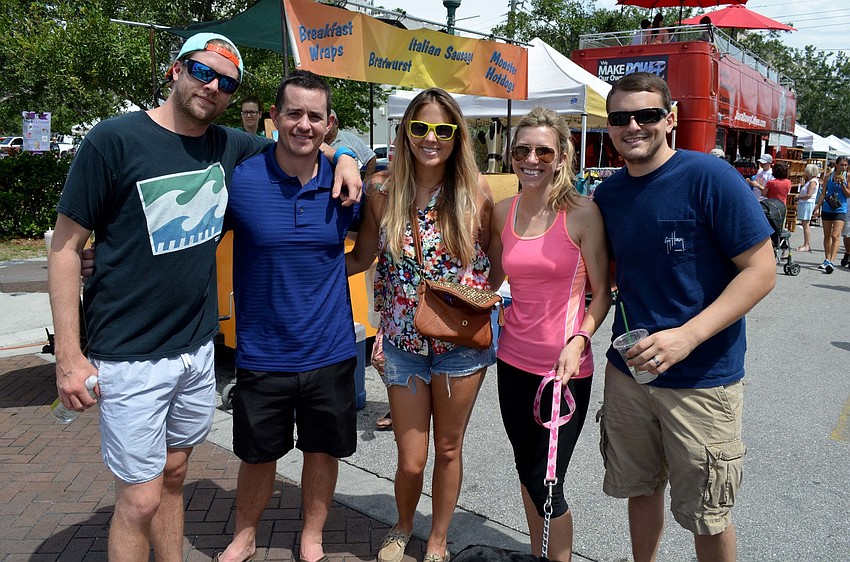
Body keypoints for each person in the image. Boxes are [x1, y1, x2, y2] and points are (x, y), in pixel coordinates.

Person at [48, 33, 361, 561]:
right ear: (175, 71)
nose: (212, 87)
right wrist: (69, 356)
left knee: (174, 476)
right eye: (202, 71)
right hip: (129, 348)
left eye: (226, 82)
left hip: (196, 348)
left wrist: (349, 153)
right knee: (140, 499)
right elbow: (64, 246)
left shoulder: (229, 147)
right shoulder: (114, 139)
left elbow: (309, 140)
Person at [593, 72, 776, 562]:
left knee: (708, 514)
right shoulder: (607, 196)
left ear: (670, 119)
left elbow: (760, 271)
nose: (633, 125)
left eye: (647, 115)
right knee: (640, 489)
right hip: (629, 372)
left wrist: (687, 337)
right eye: (620, 117)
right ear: (608, 127)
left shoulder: (708, 177)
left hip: (701, 379)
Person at [215, 70, 358, 562]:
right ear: (274, 118)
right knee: (257, 455)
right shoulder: (242, 180)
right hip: (262, 350)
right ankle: (246, 533)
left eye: (314, 116)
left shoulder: (344, 188)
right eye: (293, 113)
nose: (303, 124)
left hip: (331, 348)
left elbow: (376, 237)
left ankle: (311, 535)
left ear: (329, 124)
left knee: (322, 451)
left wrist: (350, 160)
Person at [346, 88, 494, 562]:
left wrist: (473, 301)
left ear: (457, 136)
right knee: (411, 459)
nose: (432, 138)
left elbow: (496, 260)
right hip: (404, 344)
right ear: (406, 132)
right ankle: (404, 524)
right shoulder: (381, 192)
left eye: (443, 129)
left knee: (448, 450)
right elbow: (364, 256)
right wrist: (304, 263)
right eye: (421, 128)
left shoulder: (475, 191)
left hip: (460, 344)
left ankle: (438, 538)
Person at [487, 107, 611, 561]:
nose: (532, 158)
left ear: (561, 157)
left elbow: (602, 295)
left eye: (543, 150)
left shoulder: (582, 214)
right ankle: (540, 553)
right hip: (512, 362)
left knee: (548, 480)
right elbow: (489, 278)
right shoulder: (503, 211)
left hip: (563, 371)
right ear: (512, 155)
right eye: (523, 149)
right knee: (526, 471)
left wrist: (580, 340)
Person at [813, 155, 850, 274]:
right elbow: (823, 193)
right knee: (827, 235)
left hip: (840, 209)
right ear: (836, 165)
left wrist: (843, 184)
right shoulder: (828, 176)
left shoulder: (848, 176)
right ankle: (827, 258)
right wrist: (817, 207)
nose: (844, 167)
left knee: (835, 235)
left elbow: (848, 194)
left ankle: (832, 262)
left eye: (846, 165)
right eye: (842, 165)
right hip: (828, 207)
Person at [326, 109, 377, 178]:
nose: (325, 127)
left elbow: (371, 158)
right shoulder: (315, 142)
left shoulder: (350, 139)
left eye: (328, 123)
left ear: (336, 123)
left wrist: (367, 179)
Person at [794, 163, 820, 252]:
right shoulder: (811, 181)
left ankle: (806, 244)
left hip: (807, 203)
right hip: (805, 203)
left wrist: (799, 197)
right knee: (805, 224)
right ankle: (806, 244)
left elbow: (809, 195)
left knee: (806, 224)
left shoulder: (813, 182)